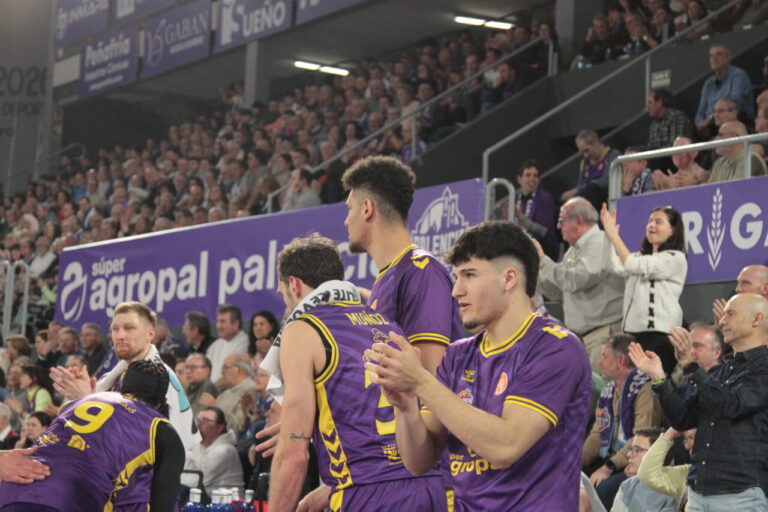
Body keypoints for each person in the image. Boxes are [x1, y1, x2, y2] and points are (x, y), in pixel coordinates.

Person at [366, 221, 592, 510]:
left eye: (469, 275)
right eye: (456, 277)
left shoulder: (556, 347)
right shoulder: (457, 355)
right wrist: (407, 408)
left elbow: (506, 446)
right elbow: (419, 462)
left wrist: (422, 382)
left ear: (509, 279)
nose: (456, 291)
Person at [268, 235, 445, 511]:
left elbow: (294, 456)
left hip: (368, 495)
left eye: (283, 296)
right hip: (430, 486)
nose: (286, 307)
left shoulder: (303, 328)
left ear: (294, 284)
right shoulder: (389, 324)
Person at [629, 293, 768, 511]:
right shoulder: (720, 372)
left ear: (757, 319)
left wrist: (692, 367)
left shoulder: (764, 368)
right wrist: (659, 379)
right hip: (697, 493)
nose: (721, 321)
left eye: (730, 314)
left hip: (740, 496)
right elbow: (683, 419)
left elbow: (732, 405)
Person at [0, 360, 185, 512]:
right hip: (69, 498)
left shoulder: (76, 404)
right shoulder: (160, 428)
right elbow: (164, 503)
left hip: (12, 487)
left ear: (119, 389)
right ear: (161, 404)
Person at [341, 155, 462, 373]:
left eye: (349, 209)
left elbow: (429, 377)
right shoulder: (389, 277)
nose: (346, 221)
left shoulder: (421, 271)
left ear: (367, 208)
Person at [50, 301, 198, 452]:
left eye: (129, 328)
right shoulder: (112, 377)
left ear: (150, 334)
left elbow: (135, 441)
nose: (120, 336)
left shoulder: (158, 379)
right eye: (115, 329)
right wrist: (76, 401)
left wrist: (87, 401)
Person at [535, 198, 625, 370]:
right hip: (583, 339)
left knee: (600, 392)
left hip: (603, 337)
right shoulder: (572, 251)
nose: (559, 226)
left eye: (562, 220)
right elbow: (559, 291)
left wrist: (543, 259)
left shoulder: (599, 242)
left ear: (578, 220)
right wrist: (537, 266)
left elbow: (578, 279)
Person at [601, 205, 687, 376]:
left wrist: (615, 237)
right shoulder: (640, 257)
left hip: (658, 338)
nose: (652, 225)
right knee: (627, 387)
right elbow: (610, 266)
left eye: (658, 222)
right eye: (650, 221)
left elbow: (633, 265)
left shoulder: (675, 258)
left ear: (672, 231)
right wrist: (608, 236)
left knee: (649, 389)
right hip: (632, 338)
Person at [583, 334, 663, 510]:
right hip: (609, 458)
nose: (600, 362)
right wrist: (573, 462)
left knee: (600, 489)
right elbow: (596, 436)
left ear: (620, 361)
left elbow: (640, 437)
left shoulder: (645, 388)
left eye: (604, 356)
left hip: (631, 462)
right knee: (573, 480)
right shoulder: (609, 390)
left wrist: (608, 467)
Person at [610, 428, 678, 512]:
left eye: (637, 450)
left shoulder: (674, 494)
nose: (629, 454)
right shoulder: (627, 486)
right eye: (631, 449)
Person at [184, 406, 244, 495]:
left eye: (205, 420)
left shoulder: (225, 451)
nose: (198, 424)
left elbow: (197, 482)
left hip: (226, 502)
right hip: (202, 496)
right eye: (198, 419)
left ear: (219, 428)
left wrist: (189, 455)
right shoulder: (197, 445)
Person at [636, 427, 697, 509]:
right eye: (685, 439)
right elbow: (647, 474)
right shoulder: (687, 473)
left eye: (692, 437)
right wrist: (670, 434)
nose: (686, 446)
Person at [695, 45, 754, 128]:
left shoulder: (738, 75)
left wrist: (711, 117)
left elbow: (734, 104)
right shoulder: (708, 84)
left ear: (729, 58)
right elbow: (700, 113)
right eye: (711, 56)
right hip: (713, 127)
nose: (714, 59)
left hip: (737, 123)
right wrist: (701, 125)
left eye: (719, 54)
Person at [562, 130, 622, 209]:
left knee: (591, 189)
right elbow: (580, 185)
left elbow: (607, 181)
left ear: (595, 143)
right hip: (588, 200)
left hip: (608, 197)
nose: (585, 155)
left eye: (587, 150)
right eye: (582, 153)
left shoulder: (613, 155)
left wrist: (578, 189)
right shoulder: (584, 163)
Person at [512, 159, 558, 259]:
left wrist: (521, 217)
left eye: (535, 176)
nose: (532, 179)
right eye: (528, 175)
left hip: (543, 247)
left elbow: (542, 231)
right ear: (519, 179)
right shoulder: (513, 199)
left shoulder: (545, 199)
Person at [206, 304, 249, 383]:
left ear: (235, 324)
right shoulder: (214, 345)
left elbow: (234, 375)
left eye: (222, 321)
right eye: (218, 321)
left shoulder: (245, 343)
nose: (218, 326)